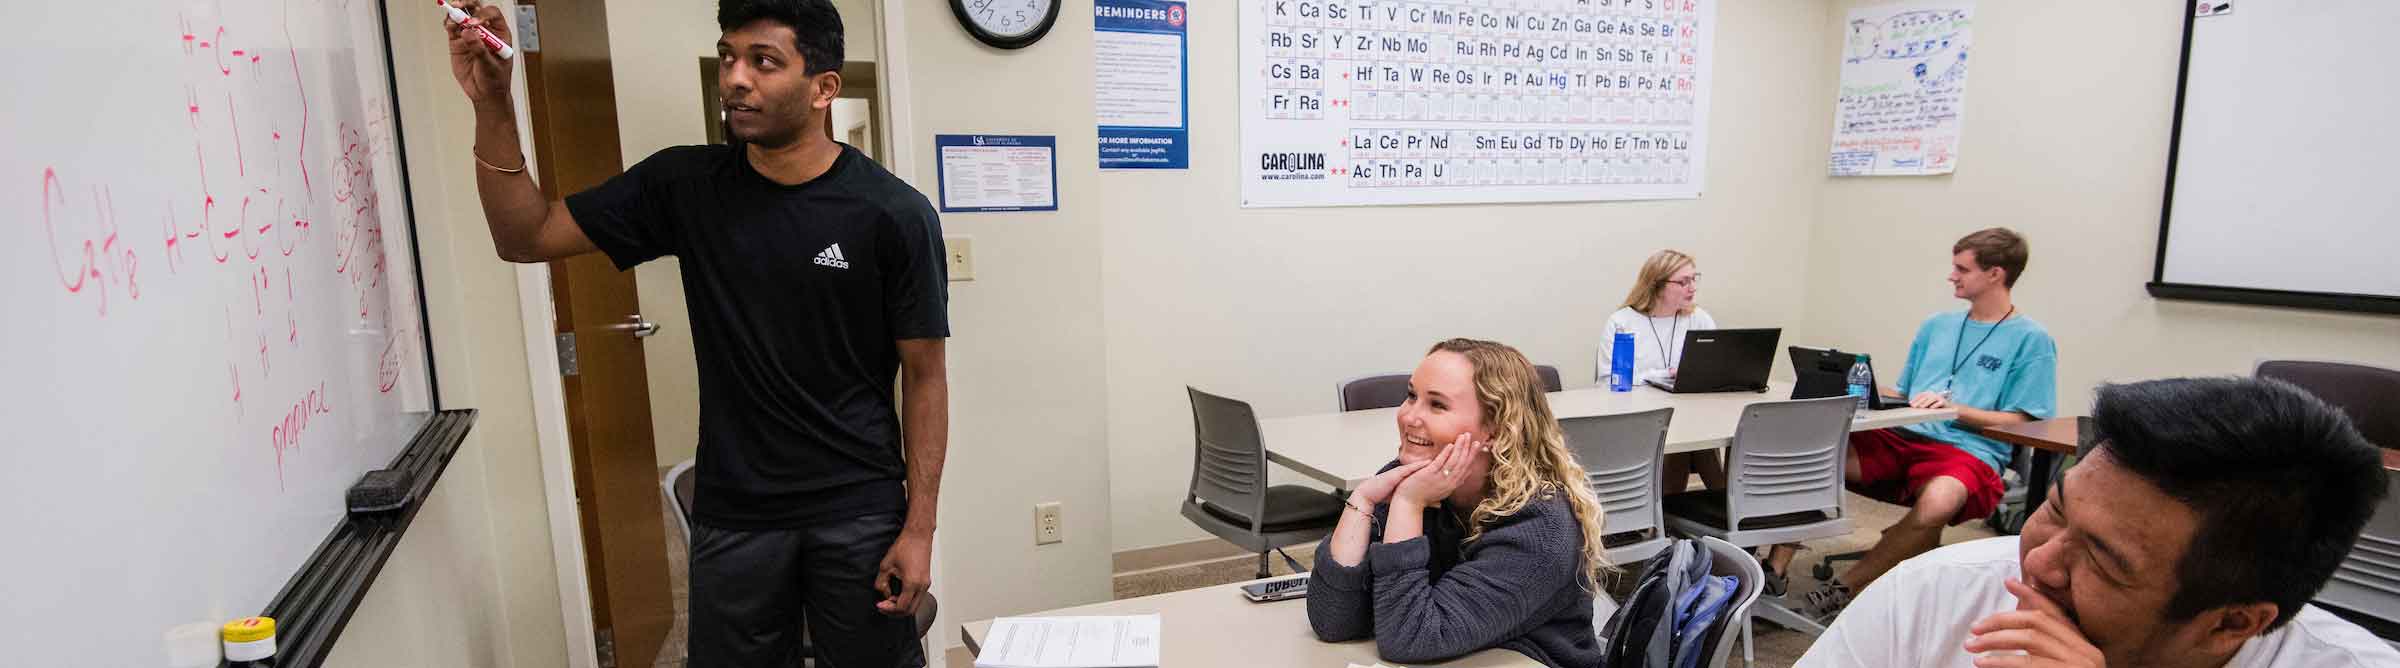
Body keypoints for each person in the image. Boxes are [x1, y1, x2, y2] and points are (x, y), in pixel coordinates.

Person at [444, 1, 949, 665]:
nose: (736, 77)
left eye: (763, 61)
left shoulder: (894, 214)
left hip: (857, 508)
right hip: (737, 511)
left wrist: (920, 529)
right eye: (729, 56)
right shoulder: (686, 185)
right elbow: (526, 234)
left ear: (824, 88)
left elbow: (926, 376)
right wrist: (494, 106)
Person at [1797, 378, 2399, 667]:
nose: (2037, 561)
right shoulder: (1934, 593)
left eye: (2104, 561)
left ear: (2233, 623)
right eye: (2055, 510)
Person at [1801, 228, 2057, 622]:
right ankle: (1774, 570)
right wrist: (1854, 382)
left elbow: (2025, 421)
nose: (1952, 276)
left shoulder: (2031, 339)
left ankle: (1843, 590)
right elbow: (1906, 392)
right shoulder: (1936, 325)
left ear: (1995, 274)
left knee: (1937, 502)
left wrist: (1957, 410)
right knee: (1809, 452)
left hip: (1970, 449)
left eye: (1962, 268)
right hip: (1904, 433)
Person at [1308, 339, 1609, 668]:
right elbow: (1333, 621)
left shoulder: (1540, 527)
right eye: (1411, 396)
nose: (1409, 416)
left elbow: (1409, 639)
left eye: (1436, 405)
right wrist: (1362, 500)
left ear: (1493, 431)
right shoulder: (1414, 479)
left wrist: (1408, 505)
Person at [1597, 250, 1726, 495]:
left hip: (1693, 412)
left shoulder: (1699, 319)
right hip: (1640, 415)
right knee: (1681, 435)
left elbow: (1715, 371)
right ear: (1657, 285)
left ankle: (1705, 509)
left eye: (1694, 279)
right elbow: (1607, 381)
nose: (1692, 288)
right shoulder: (1622, 322)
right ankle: (1718, 505)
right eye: (1683, 282)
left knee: (1693, 430)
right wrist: (1662, 374)